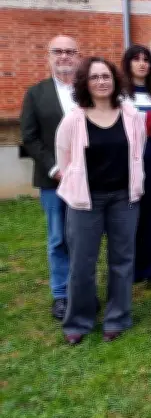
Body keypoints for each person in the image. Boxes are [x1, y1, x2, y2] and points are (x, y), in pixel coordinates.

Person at [55, 57, 146, 344]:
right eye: (94, 77)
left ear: (115, 80)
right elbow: (64, 159)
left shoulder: (131, 115)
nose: (101, 82)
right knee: (82, 263)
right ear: (85, 83)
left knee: (122, 260)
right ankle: (78, 321)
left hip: (123, 198)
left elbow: (138, 151)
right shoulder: (73, 119)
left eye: (106, 76)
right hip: (86, 200)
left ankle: (117, 318)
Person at [20, 36, 80, 320]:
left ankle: (82, 289)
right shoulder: (36, 94)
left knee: (83, 237)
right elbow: (30, 138)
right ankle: (61, 294)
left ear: (78, 57)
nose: (64, 56)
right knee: (58, 238)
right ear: (49, 56)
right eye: (58, 51)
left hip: (86, 179)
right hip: (53, 180)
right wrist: (54, 168)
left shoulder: (88, 90)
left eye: (70, 51)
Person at [121, 45, 151, 282]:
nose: (142, 64)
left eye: (146, 60)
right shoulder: (119, 96)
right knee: (130, 215)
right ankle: (132, 266)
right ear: (128, 63)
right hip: (127, 159)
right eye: (136, 59)